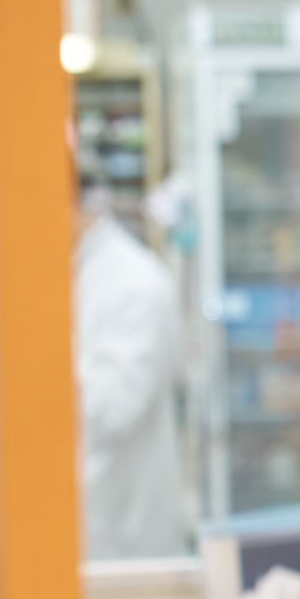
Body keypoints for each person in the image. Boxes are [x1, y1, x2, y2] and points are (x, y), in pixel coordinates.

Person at [73, 184, 188, 560]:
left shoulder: (133, 283)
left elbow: (114, 407)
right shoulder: (81, 273)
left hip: (123, 543)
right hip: (89, 535)